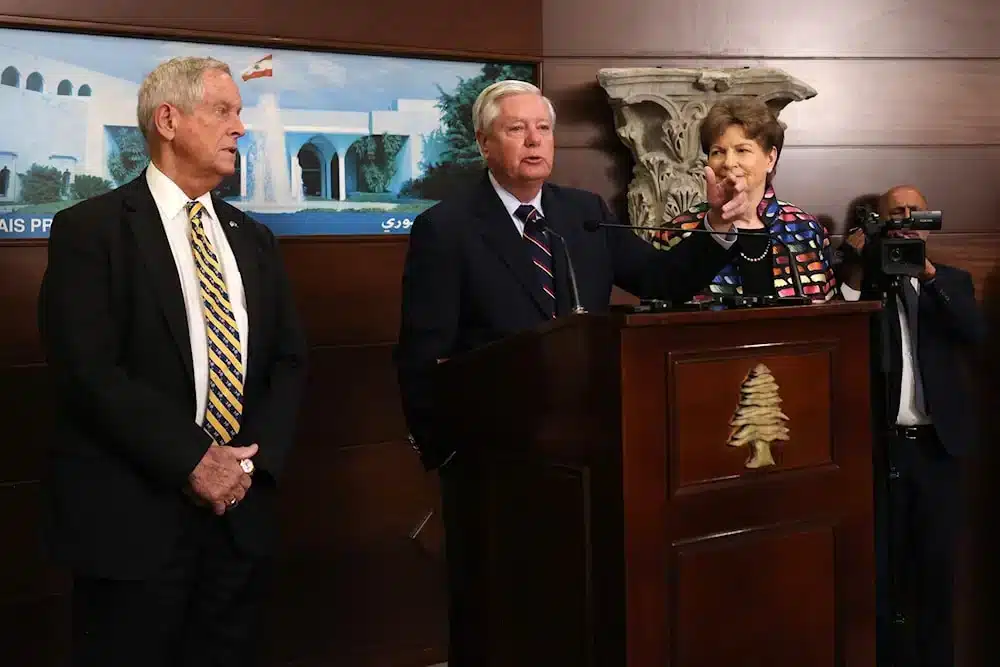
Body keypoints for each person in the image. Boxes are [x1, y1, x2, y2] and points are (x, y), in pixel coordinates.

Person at [393, 79, 756, 666]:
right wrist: (446, 455)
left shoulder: (582, 214)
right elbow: (421, 355)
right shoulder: (447, 227)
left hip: (587, 455)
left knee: (574, 610)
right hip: (494, 464)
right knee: (499, 617)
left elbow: (661, 282)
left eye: (543, 128)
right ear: (485, 143)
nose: (534, 140)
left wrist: (716, 229)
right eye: (516, 129)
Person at [38, 56, 307, 667]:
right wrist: (194, 461)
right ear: (168, 119)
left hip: (238, 521)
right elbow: (88, 371)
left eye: (240, 112)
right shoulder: (90, 230)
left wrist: (246, 472)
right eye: (223, 111)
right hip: (131, 524)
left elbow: (288, 361)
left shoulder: (253, 237)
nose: (240, 127)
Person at [837, 184, 985, 667]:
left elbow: (974, 334)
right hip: (879, 453)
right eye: (894, 212)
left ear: (929, 219)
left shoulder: (953, 281)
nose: (904, 218)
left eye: (913, 211)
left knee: (937, 573)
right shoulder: (865, 288)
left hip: (938, 451)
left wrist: (928, 275)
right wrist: (857, 267)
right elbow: (836, 329)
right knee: (884, 576)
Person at [651, 97, 838, 302]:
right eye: (718, 152)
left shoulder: (806, 230)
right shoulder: (678, 232)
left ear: (770, 158)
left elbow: (829, 318)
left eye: (742, 150)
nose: (729, 163)